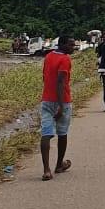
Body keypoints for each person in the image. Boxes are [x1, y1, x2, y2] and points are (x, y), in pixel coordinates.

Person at [40, 34, 78, 181]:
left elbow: (45, 76)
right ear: (62, 44)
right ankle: (59, 165)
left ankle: (46, 170)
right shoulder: (65, 59)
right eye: (70, 45)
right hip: (62, 101)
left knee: (46, 133)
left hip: (46, 99)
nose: (73, 47)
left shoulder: (49, 56)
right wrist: (61, 106)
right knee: (62, 133)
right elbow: (61, 82)